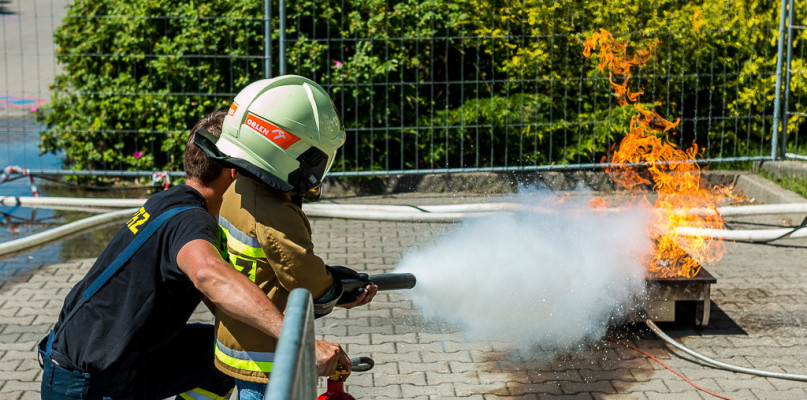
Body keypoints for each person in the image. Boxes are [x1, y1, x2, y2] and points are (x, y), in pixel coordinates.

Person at [38, 110, 350, 400]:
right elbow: (208, 275)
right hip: (86, 384)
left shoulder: (169, 200)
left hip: (107, 361)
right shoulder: (192, 222)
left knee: (215, 353)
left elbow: (212, 290)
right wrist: (299, 342)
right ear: (233, 170)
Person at [191, 75, 378, 399]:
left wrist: (333, 282)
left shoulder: (238, 187)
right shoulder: (275, 211)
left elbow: (274, 261)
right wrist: (333, 288)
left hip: (237, 339)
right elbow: (300, 274)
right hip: (265, 357)